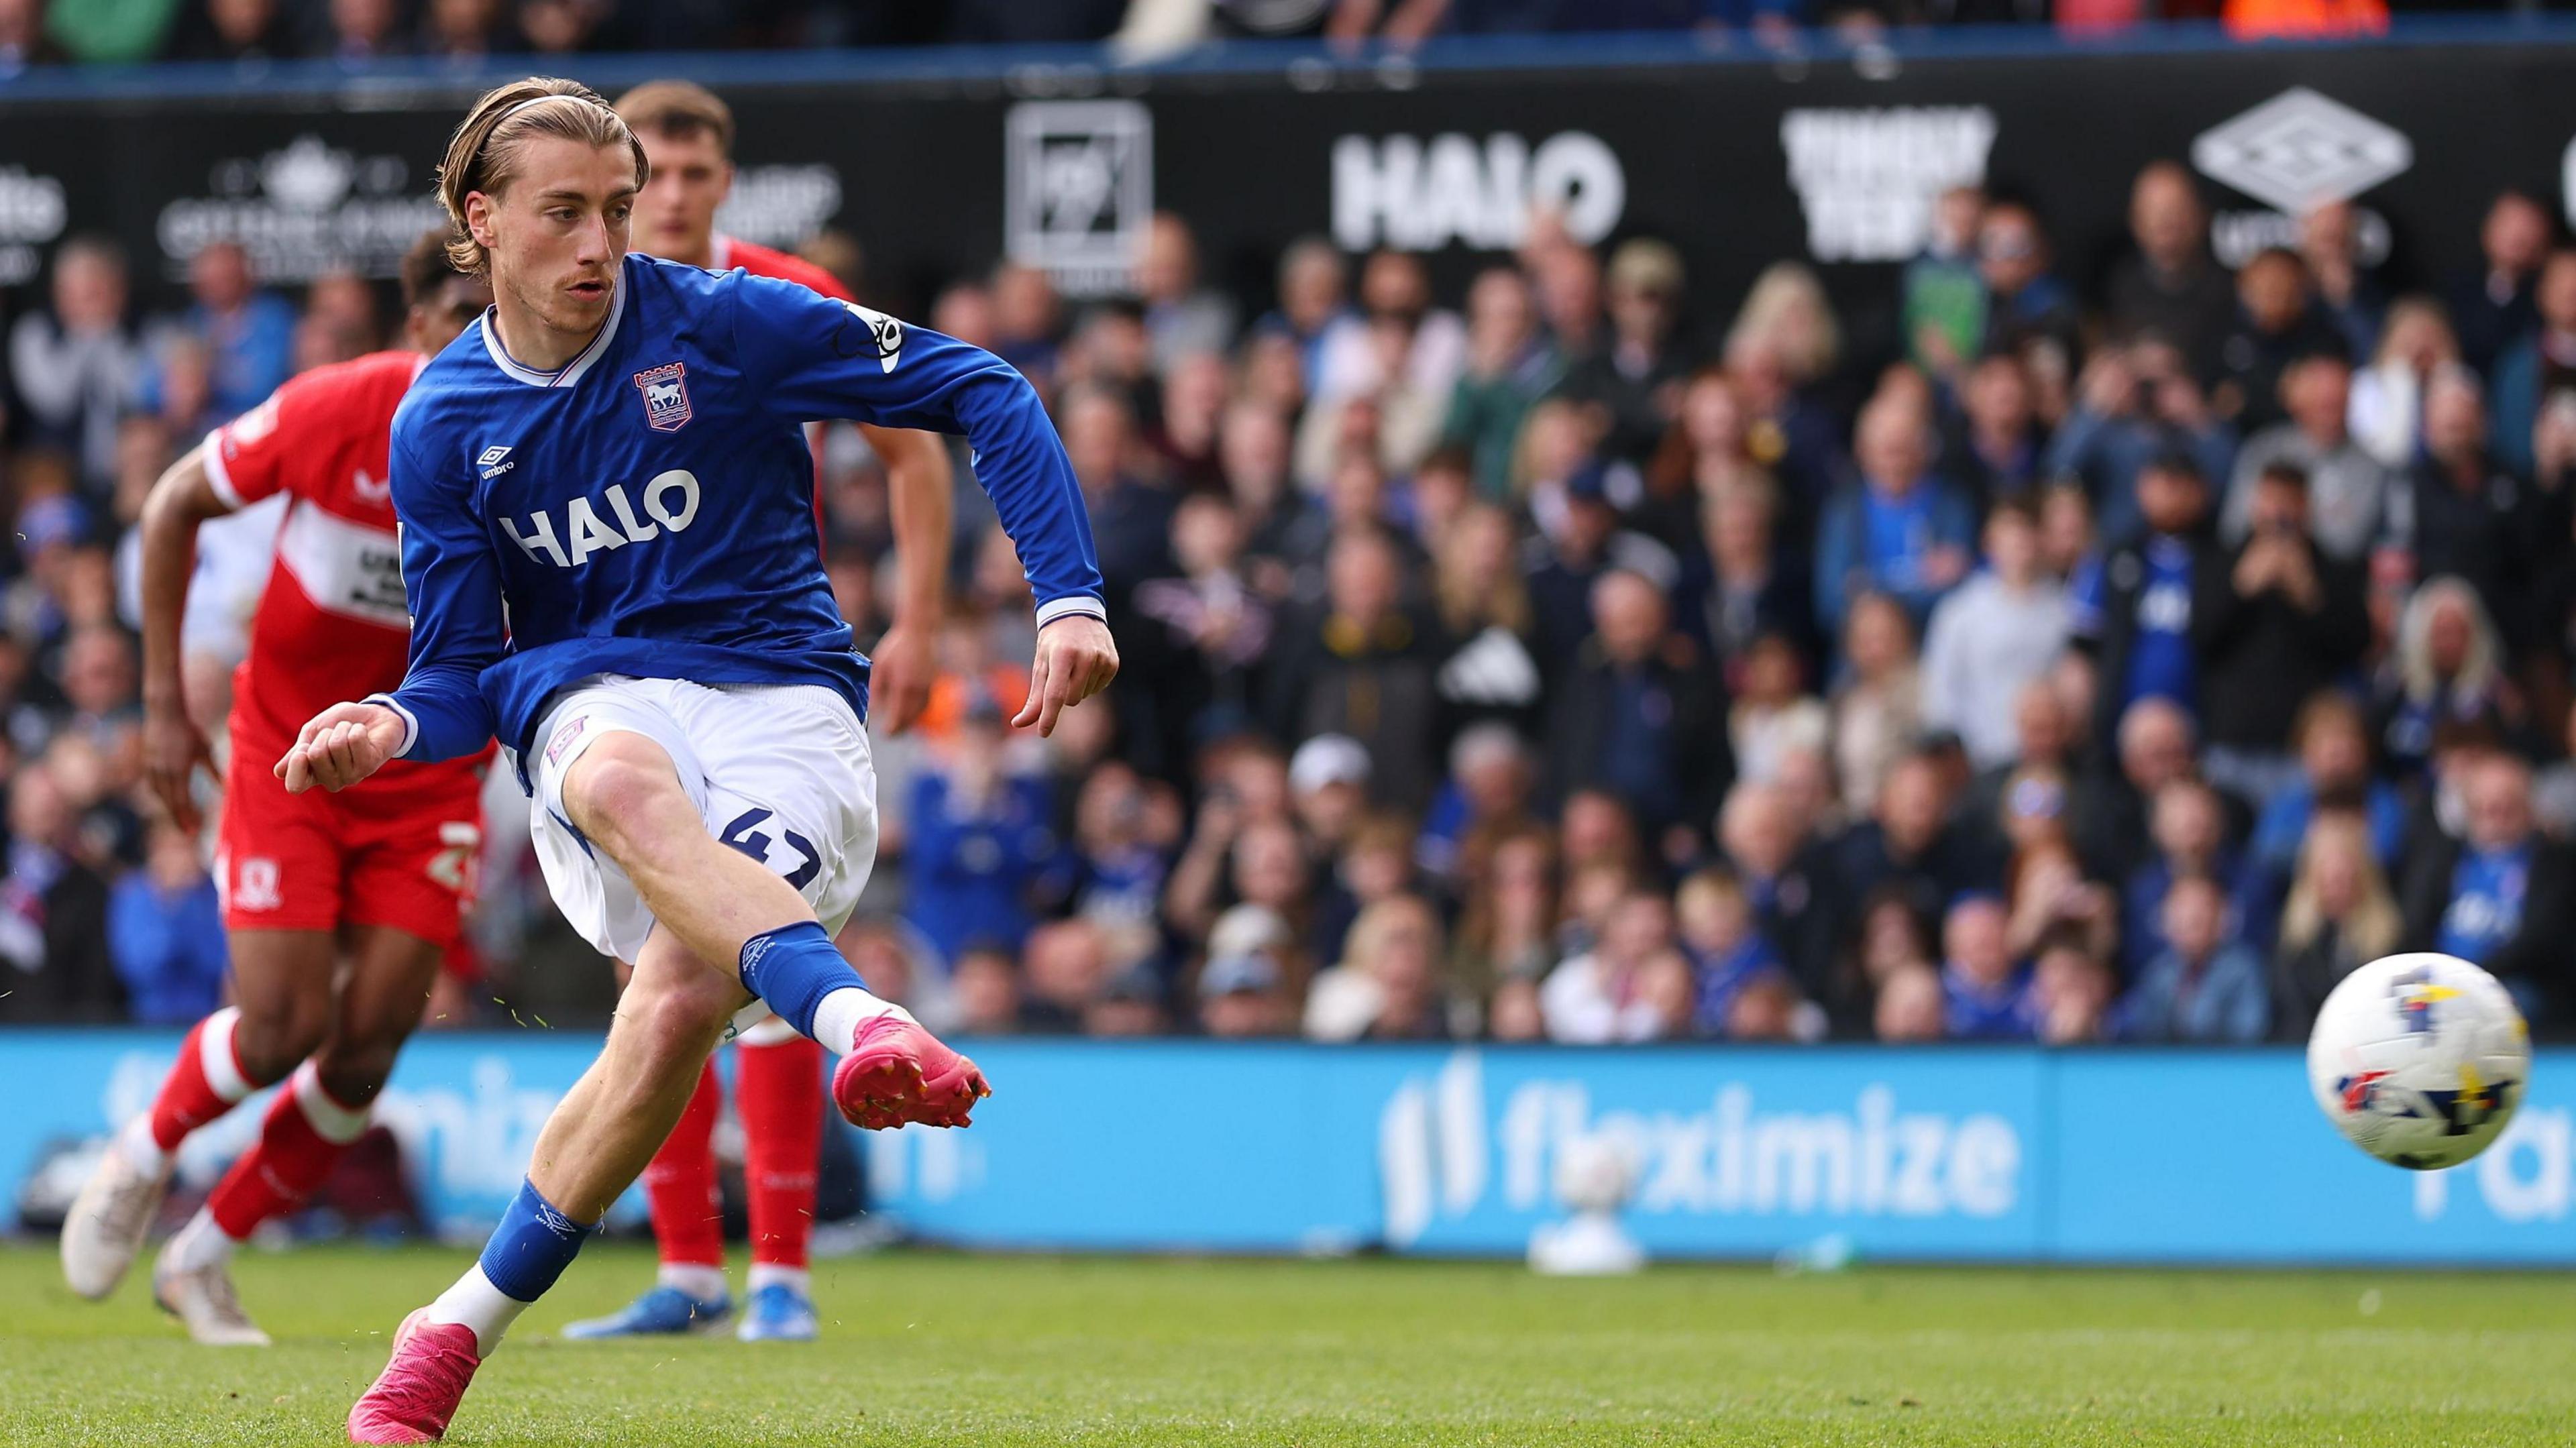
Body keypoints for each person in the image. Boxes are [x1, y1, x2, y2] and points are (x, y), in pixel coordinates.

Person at [287, 80, 1114, 1443]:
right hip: (594, 701)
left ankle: (450, 1328)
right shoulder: (441, 422)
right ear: (481, 221)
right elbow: (456, 670)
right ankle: (865, 1021)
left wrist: (1068, 594)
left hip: (785, 699)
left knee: (674, 1004)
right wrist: (391, 720)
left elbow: (984, 386)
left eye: (615, 210)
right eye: (566, 214)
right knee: (620, 783)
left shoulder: (721, 323)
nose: (603, 242)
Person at [547, 76, 963, 1347]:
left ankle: (781, 1272)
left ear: (723, 182)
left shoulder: (773, 293)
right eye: (647, 176)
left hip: (765, 672)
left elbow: (914, 445)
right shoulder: (575, 301)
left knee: (761, 948)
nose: (667, 198)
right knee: (649, 967)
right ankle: (686, 1270)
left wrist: (919, 620)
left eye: (688, 176)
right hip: (624, 669)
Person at [56, 229, 496, 1346]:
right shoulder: (337, 408)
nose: (482, 335)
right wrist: (162, 704)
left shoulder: (552, 447)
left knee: (368, 1043)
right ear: (417, 328)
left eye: (505, 315)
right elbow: (168, 507)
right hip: (289, 753)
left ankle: (205, 1254)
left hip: (429, 772)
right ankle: (144, 1154)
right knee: (281, 1025)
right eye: (459, 313)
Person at [1919, 499, 2070, 771]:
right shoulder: (1960, 611)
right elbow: (1942, 693)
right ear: (1989, 541)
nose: (2019, 541)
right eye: (2010, 531)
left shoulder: (2065, 609)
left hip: (2047, 759)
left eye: (2028, 530)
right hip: (1980, 761)